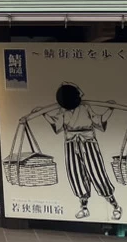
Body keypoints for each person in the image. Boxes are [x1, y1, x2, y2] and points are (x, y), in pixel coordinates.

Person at [42, 83, 122, 221]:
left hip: (88, 143)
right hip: (71, 144)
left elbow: (99, 120)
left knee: (97, 173)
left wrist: (110, 109)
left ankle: (115, 206)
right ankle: (84, 208)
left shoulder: (85, 108)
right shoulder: (62, 111)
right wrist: (44, 114)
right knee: (76, 174)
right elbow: (57, 125)